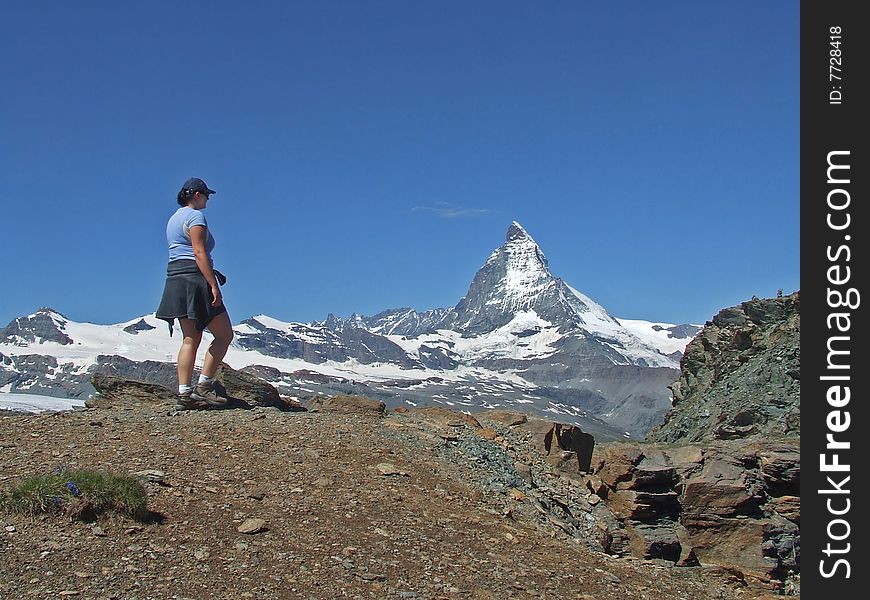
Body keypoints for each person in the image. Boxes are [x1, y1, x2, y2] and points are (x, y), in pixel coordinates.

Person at [156, 177, 234, 410]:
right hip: (195, 277)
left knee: (190, 338)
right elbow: (199, 252)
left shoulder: (173, 219)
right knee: (224, 335)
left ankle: (184, 393)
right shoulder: (195, 217)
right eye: (207, 195)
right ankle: (204, 386)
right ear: (197, 195)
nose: (208, 199)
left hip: (175, 278)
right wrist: (212, 285)